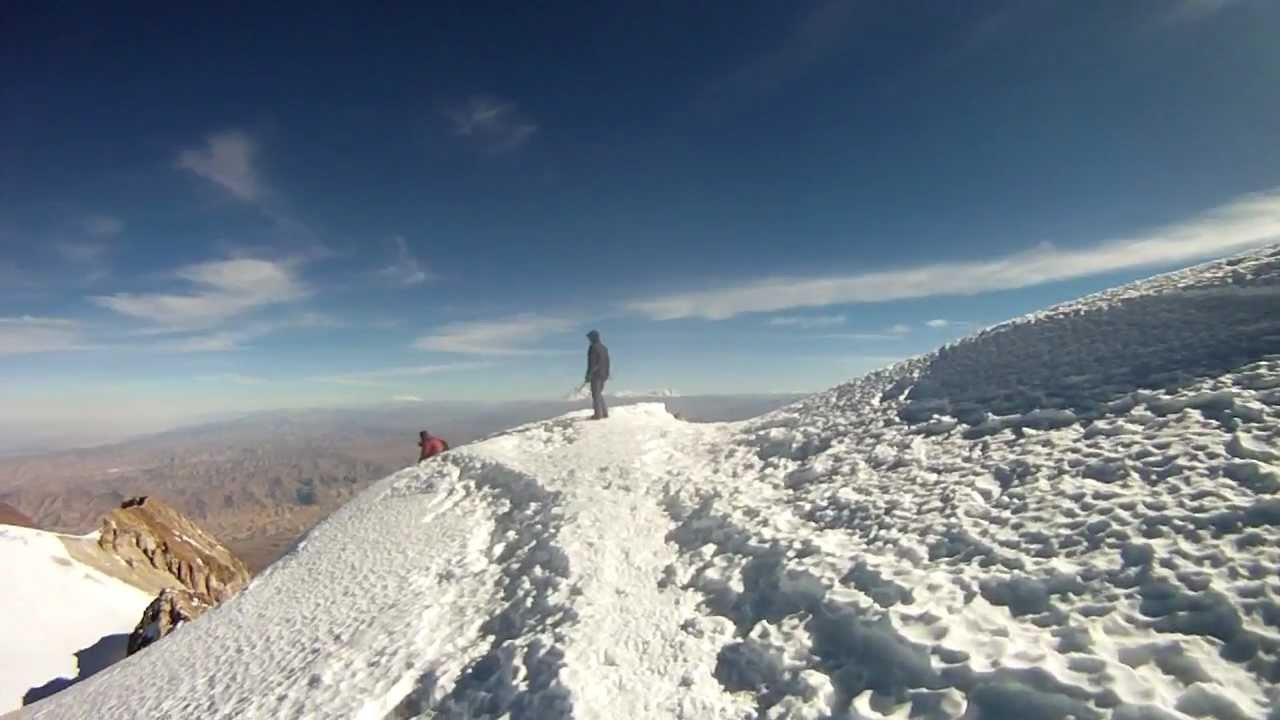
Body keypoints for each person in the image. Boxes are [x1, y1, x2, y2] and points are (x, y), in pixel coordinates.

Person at [585, 329, 610, 420]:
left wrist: (588, 375)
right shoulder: (604, 348)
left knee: (595, 394)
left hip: (595, 374)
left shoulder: (593, 347)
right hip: (604, 374)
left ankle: (598, 415)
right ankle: (604, 413)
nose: (589, 340)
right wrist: (607, 374)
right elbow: (607, 362)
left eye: (589, 338)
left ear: (593, 337)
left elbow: (592, 363)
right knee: (598, 393)